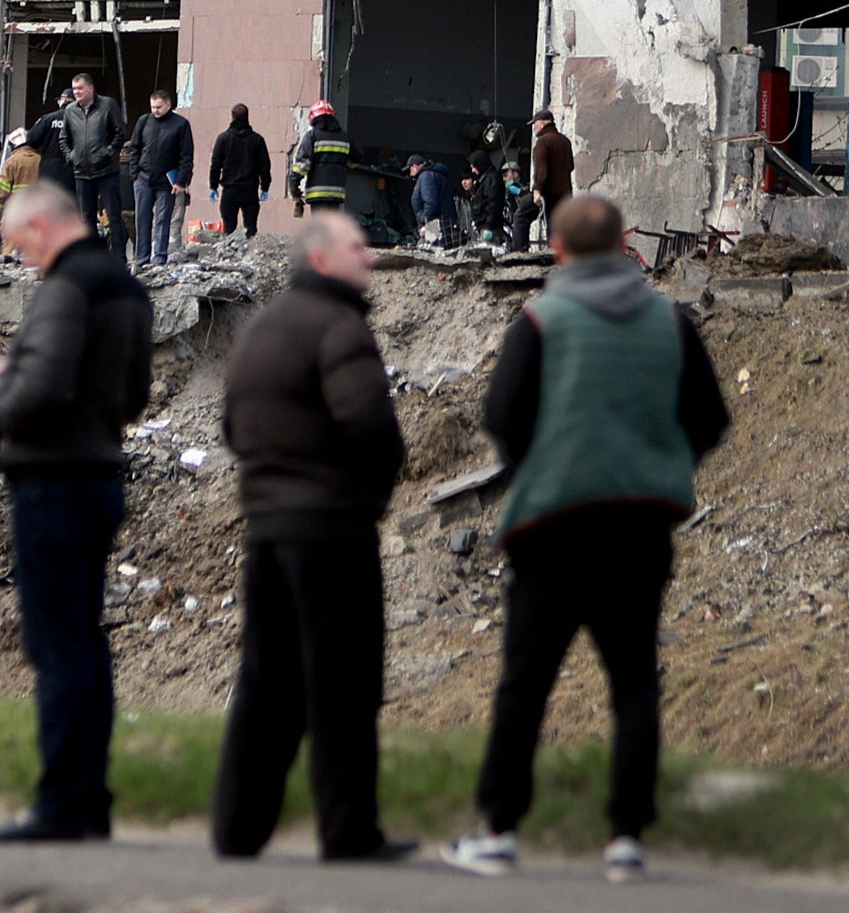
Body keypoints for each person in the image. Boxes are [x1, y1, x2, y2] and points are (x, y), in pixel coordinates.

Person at [445, 194, 730, 885]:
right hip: (640, 526)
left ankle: (499, 828)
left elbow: (503, 416)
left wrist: (537, 466)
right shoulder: (670, 321)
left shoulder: (542, 319)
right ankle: (627, 838)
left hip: (554, 528)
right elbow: (709, 418)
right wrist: (663, 466)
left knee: (525, 683)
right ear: (625, 246)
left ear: (561, 251)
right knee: (633, 681)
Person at [211, 212, 412, 864]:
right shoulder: (339, 327)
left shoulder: (263, 328)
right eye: (358, 248)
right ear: (323, 259)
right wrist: (367, 499)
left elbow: (233, 428)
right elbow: (372, 429)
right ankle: (348, 832)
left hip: (267, 526)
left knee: (266, 679)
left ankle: (237, 828)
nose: (370, 260)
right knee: (344, 682)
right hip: (330, 527)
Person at [0, 174, 153, 843]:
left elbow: (45, 385)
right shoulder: (126, 287)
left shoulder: (65, 287)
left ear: (43, 226)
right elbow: (130, 395)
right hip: (101, 473)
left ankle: (61, 806)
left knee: (56, 648)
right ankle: (89, 799)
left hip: (52, 480)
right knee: (85, 643)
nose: (24, 260)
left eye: (22, 246)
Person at [37, 74, 129, 262]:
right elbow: (64, 138)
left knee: (113, 214)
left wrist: (108, 152)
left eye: (80, 88)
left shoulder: (107, 105)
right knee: (86, 218)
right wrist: (71, 156)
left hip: (106, 171)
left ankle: (119, 256)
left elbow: (120, 133)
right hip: (81, 172)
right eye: (74, 88)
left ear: (91, 88)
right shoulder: (70, 111)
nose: (76, 92)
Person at [126, 90, 194, 268]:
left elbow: (186, 156)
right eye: (152, 107)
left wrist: (181, 181)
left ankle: (159, 257)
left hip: (166, 181)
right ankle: (141, 258)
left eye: (158, 107)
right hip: (143, 178)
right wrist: (134, 173)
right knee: (142, 219)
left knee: (163, 219)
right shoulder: (144, 121)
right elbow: (135, 148)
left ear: (168, 105)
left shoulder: (180, 125)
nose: (155, 111)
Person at [209, 103, 270, 238]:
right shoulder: (257, 140)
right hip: (250, 191)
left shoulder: (223, 138)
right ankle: (249, 256)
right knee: (251, 228)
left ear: (232, 117)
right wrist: (265, 187)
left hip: (230, 190)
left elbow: (215, 164)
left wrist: (213, 186)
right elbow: (265, 166)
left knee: (229, 229)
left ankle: (230, 255)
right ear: (247, 117)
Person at [288, 100, 353, 217]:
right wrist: (343, 164)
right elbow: (357, 157)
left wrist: (294, 182)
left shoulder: (312, 136)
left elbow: (303, 163)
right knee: (332, 228)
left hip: (317, 193)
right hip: (336, 193)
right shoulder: (345, 137)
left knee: (320, 229)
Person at [0, 144, 41, 252]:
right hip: (36, 213)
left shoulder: (12, 161)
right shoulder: (40, 160)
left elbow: (1, 191)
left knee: (9, 249)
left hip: (15, 213)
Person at [528, 112, 575, 226]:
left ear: (543, 122)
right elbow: (571, 166)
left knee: (520, 217)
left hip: (549, 193)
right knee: (562, 228)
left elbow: (541, 170)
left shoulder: (543, 142)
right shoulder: (565, 141)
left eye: (535, 123)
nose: (534, 127)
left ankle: (521, 244)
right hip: (565, 193)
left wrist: (537, 190)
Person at [408, 152, 460, 249]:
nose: (409, 172)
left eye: (410, 168)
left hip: (435, 226)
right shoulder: (436, 175)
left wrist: (425, 223)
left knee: (433, 255)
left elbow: (430, 203)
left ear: (415, 166)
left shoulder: (426, 176)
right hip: (443, 223)